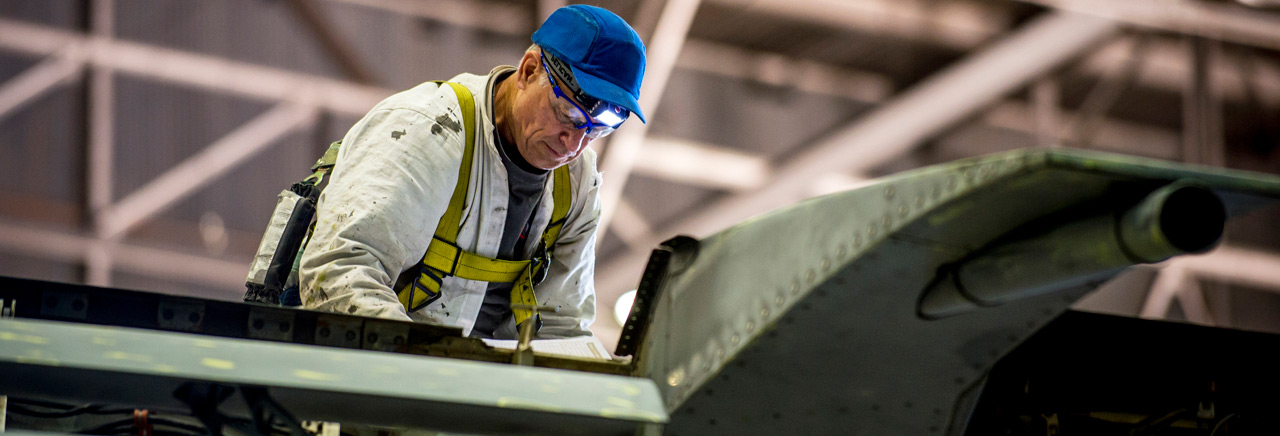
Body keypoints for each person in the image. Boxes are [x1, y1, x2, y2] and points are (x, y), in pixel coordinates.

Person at [297, 5, 646, 339]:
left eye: (596, 130)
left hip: (476, 387)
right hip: (374, 376)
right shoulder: (430, 130)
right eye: (568, 115)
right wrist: (423, 373)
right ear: (528, 71)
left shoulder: (577, 183)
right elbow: (340, 271)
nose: (575, 143)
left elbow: (560, 330)